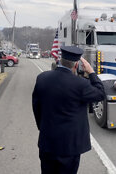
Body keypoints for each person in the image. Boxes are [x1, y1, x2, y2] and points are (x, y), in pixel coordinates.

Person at [32, 46, 106, 174]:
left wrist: (43, 128)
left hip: (47, 141)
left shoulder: (42, 78)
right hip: (70, 146)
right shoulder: (81, 84)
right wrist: (92, 73)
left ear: (60, 60)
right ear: (76, 65)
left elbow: (36, 107)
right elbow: (100, 94)